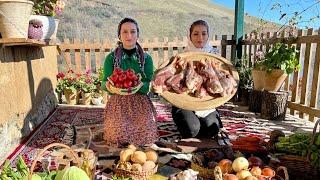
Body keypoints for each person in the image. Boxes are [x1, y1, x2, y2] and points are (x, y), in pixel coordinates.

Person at [101, 17, 158, 147]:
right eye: (125, 32)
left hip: (140, 102)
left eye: (133, 32)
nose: (129, 36)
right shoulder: (110, 58)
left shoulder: (147, 59)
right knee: (117, 135)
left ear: (138, 34)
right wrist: (109, 86)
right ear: (119, 35)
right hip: (118, 102)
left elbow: (148, 84)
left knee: (146, 134)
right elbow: (104, 82)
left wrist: (141, 85)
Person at [172, 20, 223, 138]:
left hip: (206, 105)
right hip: (185, 102)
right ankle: (182, 118)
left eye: (204, 33)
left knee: (211, 130)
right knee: (191, 130)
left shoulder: (215, 57)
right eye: (195, 34)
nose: (200, 37)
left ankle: (213, 116)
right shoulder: (182, 58)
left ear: (208, 35)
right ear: (189, 36)